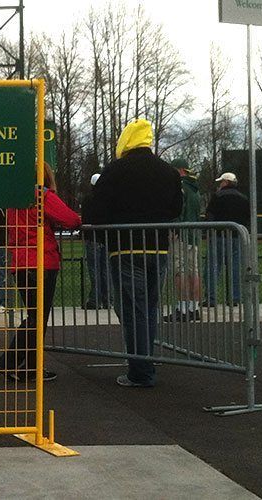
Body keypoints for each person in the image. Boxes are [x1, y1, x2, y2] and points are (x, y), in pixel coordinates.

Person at [85, 119, 182, 388]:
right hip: (158, 247)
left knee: (132, 309)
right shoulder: (168, 172)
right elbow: (175, 209)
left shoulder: (115, 171)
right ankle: (144, 361)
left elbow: (97, 212)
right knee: (149, 307)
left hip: (125, 248)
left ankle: (140, 370)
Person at [0, 162, 81, 382]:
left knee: (35, 316)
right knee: (37, 318)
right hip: (42, 261)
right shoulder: (42, 196)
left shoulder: (14, 200)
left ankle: (30, 367)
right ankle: (12, 361)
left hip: (20, 262)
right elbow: (71, 219)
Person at [203, 172, 250, 307]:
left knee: (212, 267)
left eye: (221, 182)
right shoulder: (243, 198)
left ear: (225, 182)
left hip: (218, 236)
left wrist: (208, 231)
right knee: (235, 268)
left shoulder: (217, 196)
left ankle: (211, 299)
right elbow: (247, 217)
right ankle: (235, 298)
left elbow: (209, 215)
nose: (220, 184)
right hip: (237, 236)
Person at [163, 158, 202, 322]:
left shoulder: (181, 187)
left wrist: (174, 228)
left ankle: (182, 308)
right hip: (194, 235)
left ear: (180, 170)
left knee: (179, 271)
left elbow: (179, 210)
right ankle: (195, 308)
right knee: (194, 271)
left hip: (181, 234)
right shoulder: (195, 189)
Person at [81, 173, 112, 309]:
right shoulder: (108, 199)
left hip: (92, 239)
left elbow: (85, 218)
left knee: (94, 271)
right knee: (106, 270)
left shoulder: (88, 199)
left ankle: (95, 300)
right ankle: (108, 299)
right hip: (105, 238)